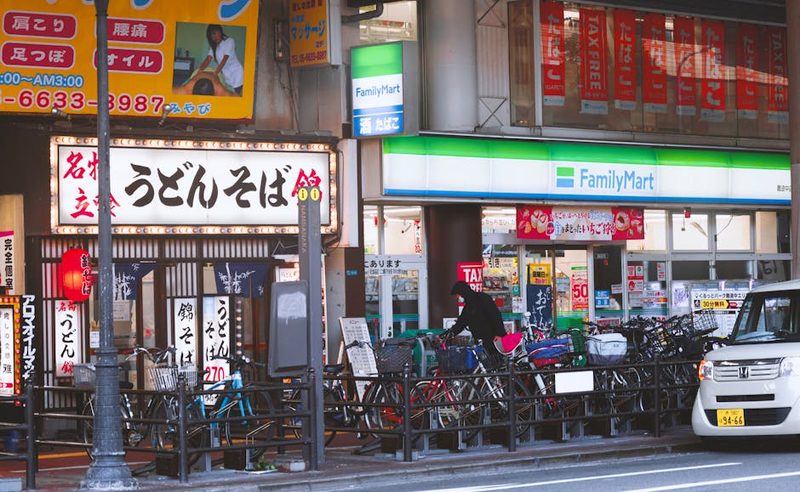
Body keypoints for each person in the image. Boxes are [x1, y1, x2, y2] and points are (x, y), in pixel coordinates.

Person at [445, 281, 507, 355]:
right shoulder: (468, 307)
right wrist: (446, 336)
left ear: (462, 293)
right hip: (481, 343)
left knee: (496, 363)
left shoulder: (483, 299)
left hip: (494, 340)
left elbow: (496, 316)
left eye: (457, 295)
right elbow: (460, 323)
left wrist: (499, 334)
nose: (457, 298)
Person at [197, 24, 244, 95]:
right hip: (226, 75)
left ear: (220, 31)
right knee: (229, 95)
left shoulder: (229, 41)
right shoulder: (214, 46)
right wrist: (199, 70)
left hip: (236, 73)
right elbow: (208, 59)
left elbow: (224, 59)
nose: (214, 37)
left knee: (236, 96)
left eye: (215, 33)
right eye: (211, 36)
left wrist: (215, 74)